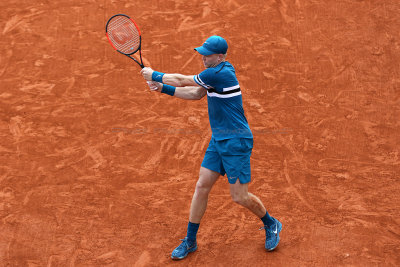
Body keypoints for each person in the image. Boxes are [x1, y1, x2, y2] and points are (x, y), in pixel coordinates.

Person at [140, 36, 282, 260]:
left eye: (207, 54)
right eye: (202, 53)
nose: (203, 57)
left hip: (237, 142)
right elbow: (196, 93)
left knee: (239, 197)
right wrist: (162, 88)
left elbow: (183, 80)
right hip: (219, 140)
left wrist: (154, 75)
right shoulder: (217, 73)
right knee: (202, 186)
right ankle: (190, 241)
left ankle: (271, 223)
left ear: (220, 57)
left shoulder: (218, 73)